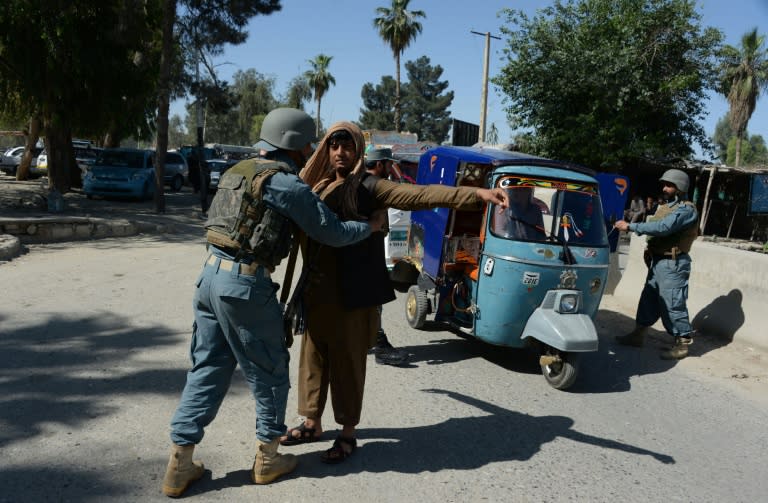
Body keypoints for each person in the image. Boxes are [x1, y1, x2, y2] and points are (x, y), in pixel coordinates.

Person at [161, 108, 386, 497]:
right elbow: (330, 232)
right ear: (294, 146)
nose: (313, 152)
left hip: (210, 278)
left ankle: (179, 464)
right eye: (309, 146)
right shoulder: (284, 183)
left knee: (208, 367)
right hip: (244, 285)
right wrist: (370, 227)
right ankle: (268, 457)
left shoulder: (238, 170)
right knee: (270, 370)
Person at [279, 122, 508, 463]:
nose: (340, 152)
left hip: (352, 296)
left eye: (348, 146)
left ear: (359, 152)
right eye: (334, 146)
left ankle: (347, 433)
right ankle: (312, 422)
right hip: (316, 292)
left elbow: (419, 195)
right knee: (312, 361)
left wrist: (475, 195)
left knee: (348, 367)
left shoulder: (370, 187)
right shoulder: (319, 184)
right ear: (326, 150)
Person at [614, 169, 698, 360]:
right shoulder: (666, 207)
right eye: (664, 184)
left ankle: (682, 343)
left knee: (673, 303)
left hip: (673, 264)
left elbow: (664, 227)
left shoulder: (686, 210)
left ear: (680, 187)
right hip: (659, 261)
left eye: (669, 185)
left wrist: (631, 226)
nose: (664, 188)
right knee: (649, 298)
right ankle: (639, 335)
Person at [364, 147, 409, 366]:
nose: (392, 168)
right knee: (372, 300)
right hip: (365, 253)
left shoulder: (362, 183)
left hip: (368, 250)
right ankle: (379, 345)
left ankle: (371, 341)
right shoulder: (375, 186)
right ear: (380, 164)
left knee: (369, 301)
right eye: (389, 164)